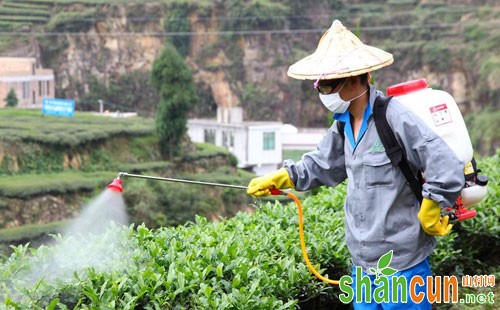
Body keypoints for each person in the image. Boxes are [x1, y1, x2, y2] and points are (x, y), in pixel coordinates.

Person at [246, 20, 464, 309]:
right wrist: (285, 176)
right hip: (362, 263)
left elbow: (445, 163)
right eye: (319, 86)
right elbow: (321, 165)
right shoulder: (342, 125)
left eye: (327, 85)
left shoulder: (393, 118)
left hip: (402, 264)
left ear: (353, 80)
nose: (322, 93)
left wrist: (431, 205)